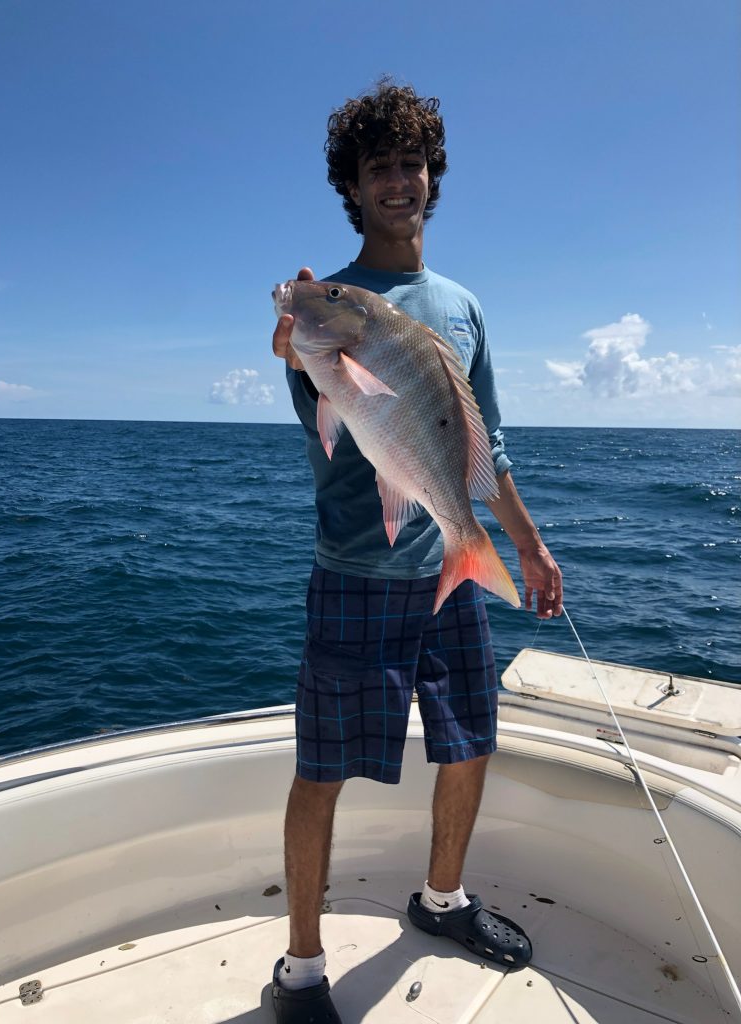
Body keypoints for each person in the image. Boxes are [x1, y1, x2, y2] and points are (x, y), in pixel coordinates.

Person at [270, 80, 562, 1024]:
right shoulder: (328, 310)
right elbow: (320, 406)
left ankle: (442, 901)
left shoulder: (464, 306)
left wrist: (527, 545)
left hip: (450, 568)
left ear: (432, 177)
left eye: (411, 163)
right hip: (354, 572)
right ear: (352, 187)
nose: (398, 181)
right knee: (322, 769)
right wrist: (300, 347)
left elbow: (486, 445)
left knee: (470, 742)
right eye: (378, 168)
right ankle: (302, 967)